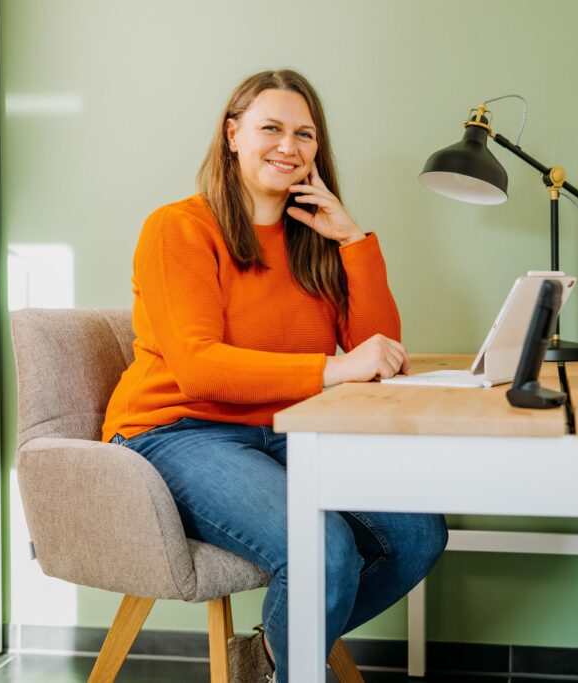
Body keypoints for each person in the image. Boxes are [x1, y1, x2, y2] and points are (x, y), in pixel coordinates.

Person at [101, 69, 448, 683]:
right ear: (232, 134)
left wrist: (353, 241)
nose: (289, 146)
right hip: (177, 431)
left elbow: (376, 353)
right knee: (323, 547)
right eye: (271, 128)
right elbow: (200, 368)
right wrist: (335, 369)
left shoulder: (311, 240)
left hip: (286, 431)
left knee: (419, 534)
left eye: (304, 134)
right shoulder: (177, 228)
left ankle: (268, 659)